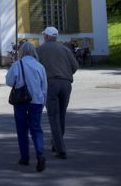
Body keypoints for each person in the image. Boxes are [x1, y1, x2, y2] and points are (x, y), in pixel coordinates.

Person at [37, 26, 79, 160]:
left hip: (51, 84)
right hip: (66, 84)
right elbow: (75, 66)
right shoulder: (65, 49)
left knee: (53, 116)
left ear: (47, 36)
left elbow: (36, 68)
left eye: (44, 35)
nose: (43, 37)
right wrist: (65, 74)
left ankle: (61, 149)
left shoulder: (40, 50)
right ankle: (56, 143)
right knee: (61, 115)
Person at [5, 42, 47, 172]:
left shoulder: (17, 65)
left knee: (22, 129)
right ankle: (40, 154)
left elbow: (9, 81)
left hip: (21, 101)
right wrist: (43, 102)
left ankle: (25, 157)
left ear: (21, 52)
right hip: (37, 101)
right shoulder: (40, 66)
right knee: (36, 128)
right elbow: (44, 87)